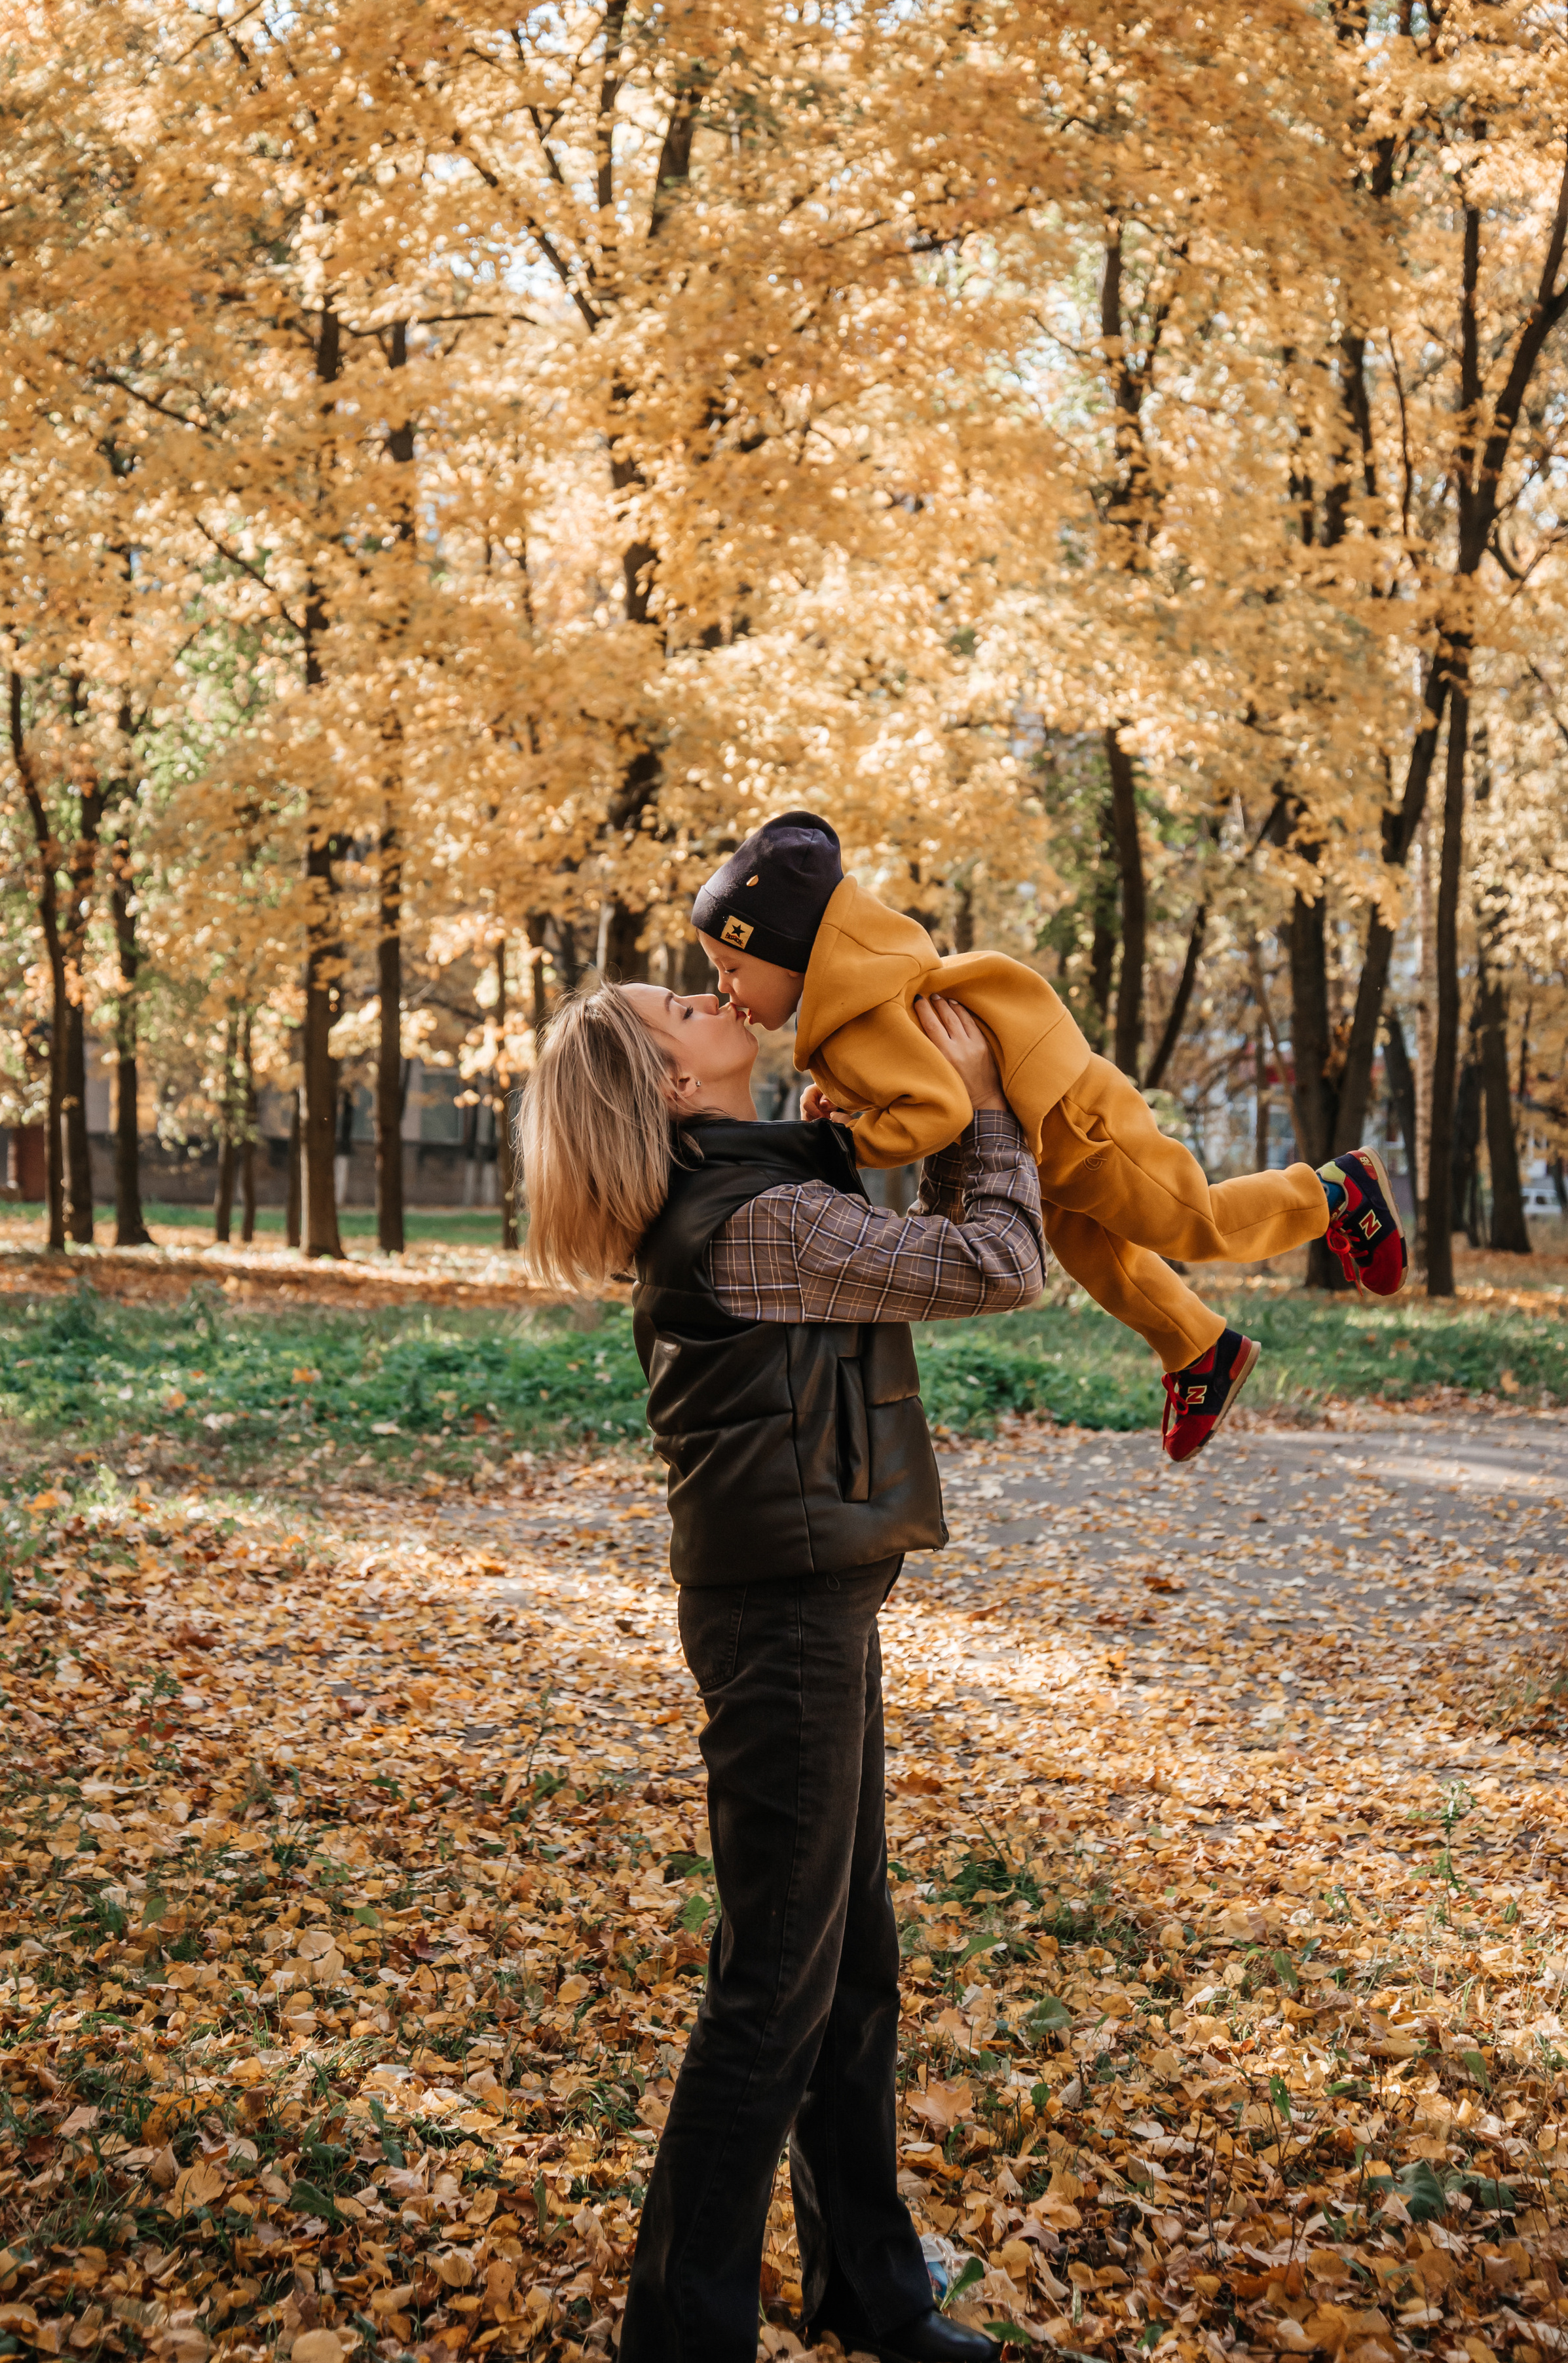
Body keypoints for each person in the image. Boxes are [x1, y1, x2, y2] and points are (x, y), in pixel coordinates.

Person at [520, 978, 1045, 2363]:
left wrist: (850, 1131)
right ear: (670, 1085)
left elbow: (851, 1242)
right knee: (771, 1990)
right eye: (676, 1004)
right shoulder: (755, 1222)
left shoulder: (753, 1192)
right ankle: (679, 2339)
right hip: (784, 1629)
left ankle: (870, 2294)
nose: (710, 991)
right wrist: (980, 1111)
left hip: (806, 1609)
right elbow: (992, 1265)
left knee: (848, 1966)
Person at [690, 809, 1407, 1464]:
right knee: (1099, 1259)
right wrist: (850, 1102)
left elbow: (937, 1111)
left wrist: (850, 1142)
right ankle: (1201, 1351)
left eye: (732, 969)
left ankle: (1337, 1191)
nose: (727, 992)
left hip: (1077, 1120)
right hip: (1045, 1140)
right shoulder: (854, 1010)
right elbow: (912, 1080)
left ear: (790, 956)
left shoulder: (855, 1019)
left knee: (1192, 1222)